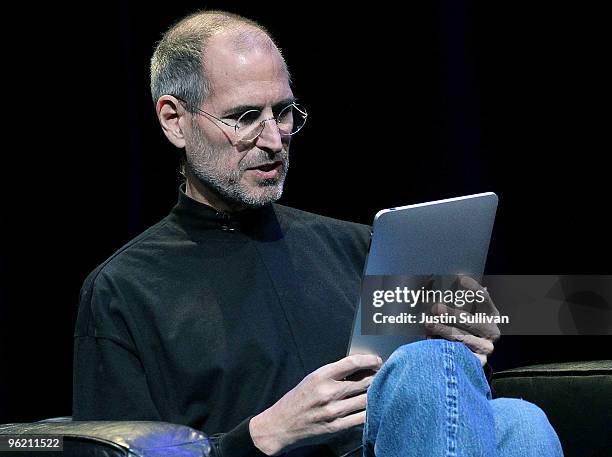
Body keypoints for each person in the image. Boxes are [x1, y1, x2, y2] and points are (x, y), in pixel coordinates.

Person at [72, 10, 563, 457]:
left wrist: (465, 349)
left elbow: (437, 397)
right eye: (245, 117)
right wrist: (265, 434)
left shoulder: (359, 247)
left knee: (519, 419)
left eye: (283, 113)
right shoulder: (125, 289)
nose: (273, 140)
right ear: (174, 121)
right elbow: (118, 454)